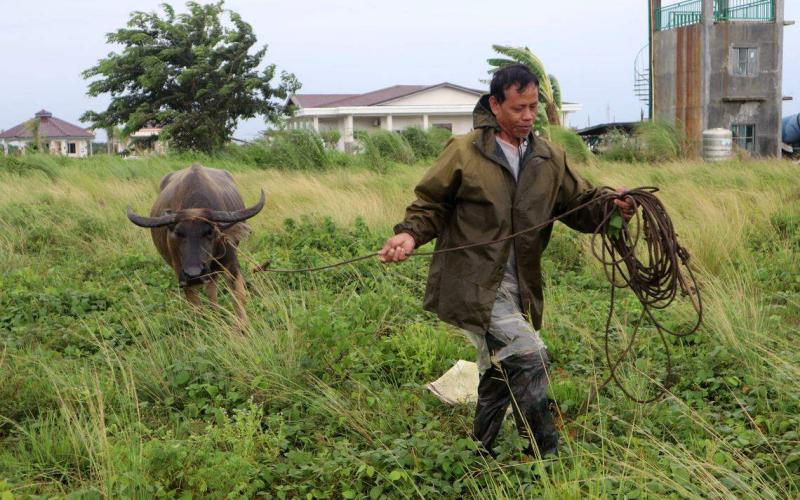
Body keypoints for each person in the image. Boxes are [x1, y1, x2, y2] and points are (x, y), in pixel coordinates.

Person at [379, 64, 634, 458]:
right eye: (518, 108)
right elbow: (431, 205)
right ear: (495, 105)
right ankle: (544, 457)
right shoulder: (464, 152)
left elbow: (580, 206)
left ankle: (482, 450)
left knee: (499, 369)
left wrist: (612, 209)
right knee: (529, 358)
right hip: (475, 282)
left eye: (533, 107)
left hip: (522, 285)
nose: (527, 116)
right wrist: (409, 234)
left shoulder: (549, 158)